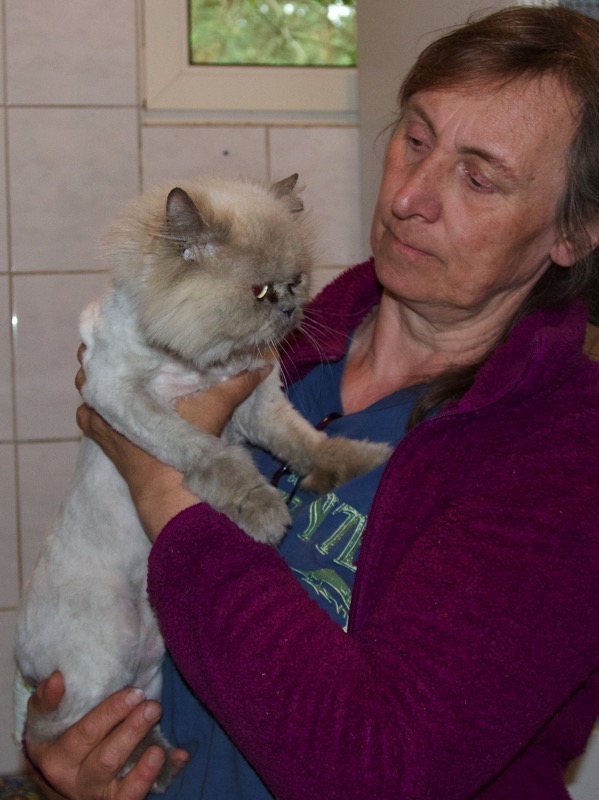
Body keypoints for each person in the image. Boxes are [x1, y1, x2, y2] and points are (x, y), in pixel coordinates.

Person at [23, 5, 599, 799]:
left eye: (477, 177)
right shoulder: (268, 349)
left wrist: (164, 488)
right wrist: (73, 748)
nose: (408, 197)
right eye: (416, 139)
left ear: (573, 232)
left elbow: (375, 771)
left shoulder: (566, 458)